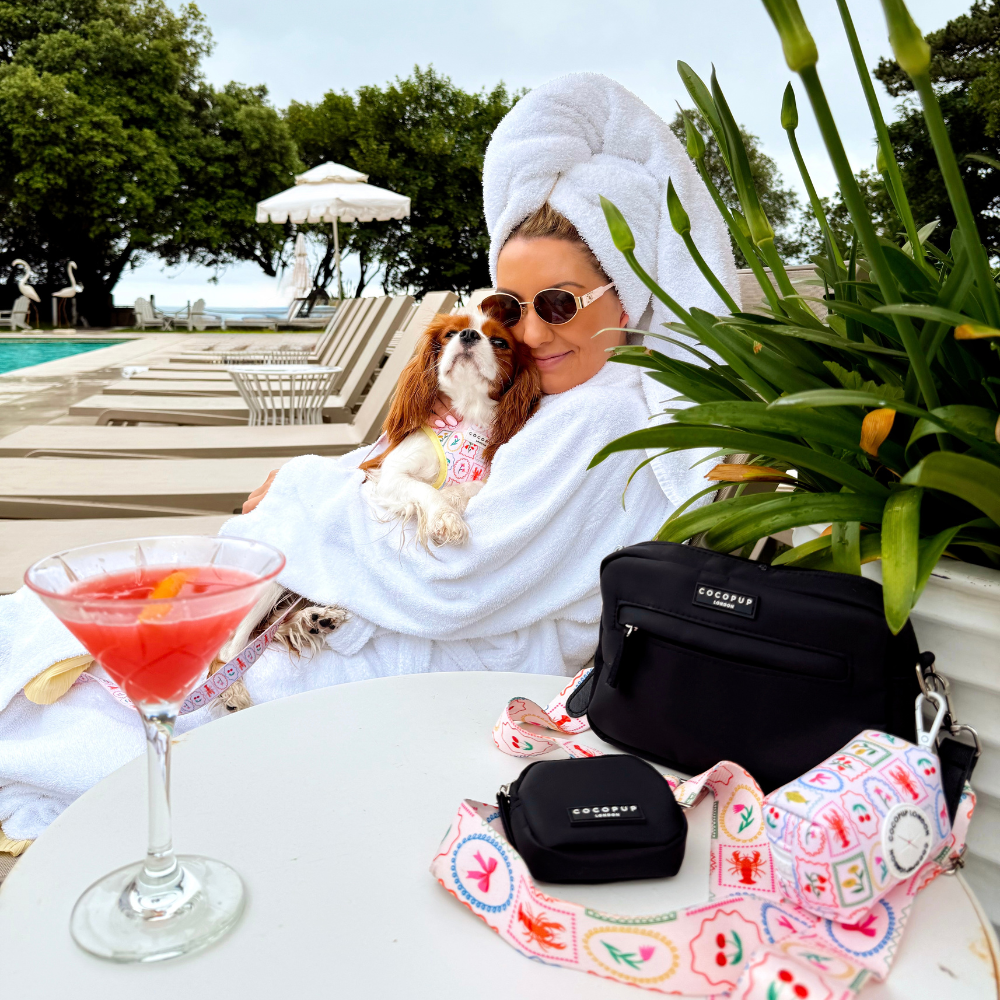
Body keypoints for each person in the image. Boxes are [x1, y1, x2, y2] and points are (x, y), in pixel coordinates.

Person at [0, 73, 737, 844]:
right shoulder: (554, 389)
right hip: (398, 616)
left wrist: (303, 491)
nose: (531, 332)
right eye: (511, 307)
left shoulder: (607, 416)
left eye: (560, 303)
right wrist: (325, 484)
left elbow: (457, 578)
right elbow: (420, 453)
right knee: (131, 620)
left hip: (450, 655)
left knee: (118, 679)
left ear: (628, 291)